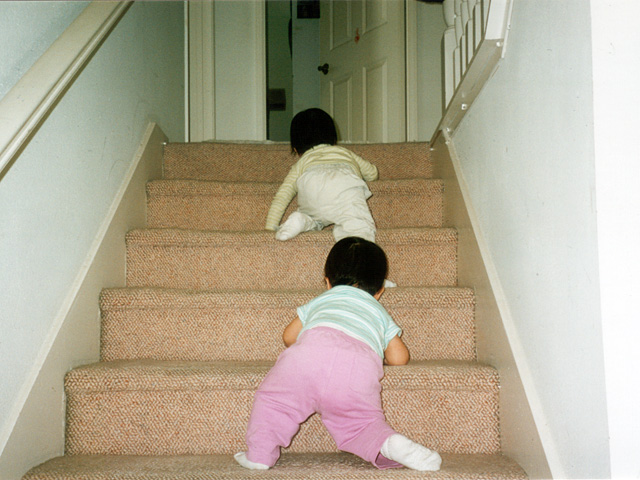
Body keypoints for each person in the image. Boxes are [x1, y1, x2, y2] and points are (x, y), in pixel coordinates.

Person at [234, 237, 442, 472]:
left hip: (305, 361)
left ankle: (259, 455)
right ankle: (387, 443)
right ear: (380, 290)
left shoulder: (321, 300)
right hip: (356, 369)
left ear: (327, 282)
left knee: (275, 404)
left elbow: (289, 337)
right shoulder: (379, 312)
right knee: (362, 424)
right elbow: (398, 358)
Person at [265, 108, 379, 242]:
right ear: (334, 139)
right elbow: (372, 174)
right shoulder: (344, 152)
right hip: (343, 186)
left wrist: (269, 227)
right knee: (357, 224)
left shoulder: (302, 162)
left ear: (296, 149)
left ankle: (301, 220)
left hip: (311, 184)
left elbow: (282, 196)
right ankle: (354, 247)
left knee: (314, 220)